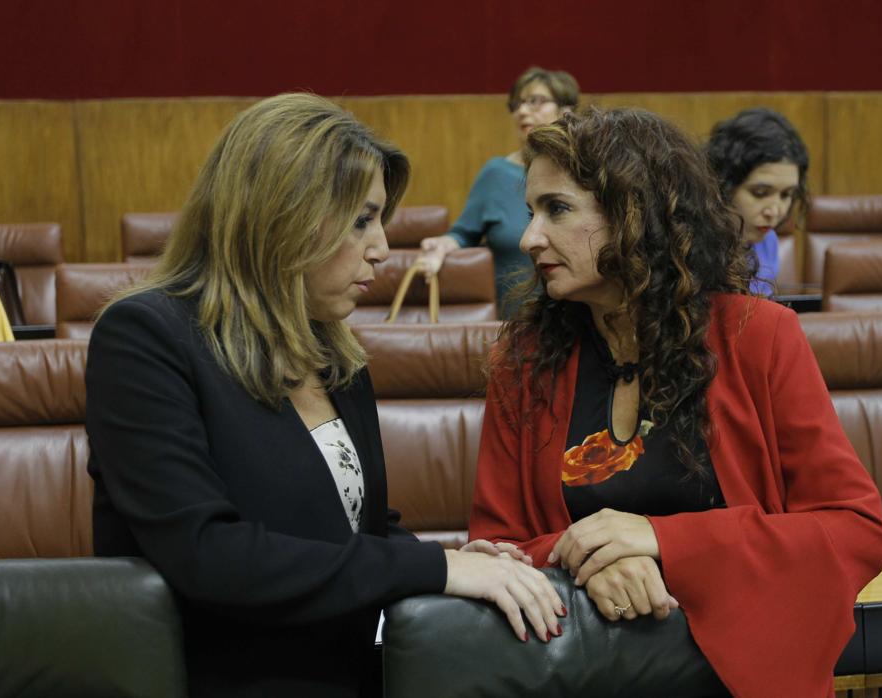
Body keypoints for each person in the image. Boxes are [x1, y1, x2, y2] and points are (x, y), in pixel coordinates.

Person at [85, 93, 563, 698]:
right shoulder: (145, 338)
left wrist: (471, 562)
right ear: (282, 214)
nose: (383, 248)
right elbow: (207, 555)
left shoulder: (333, 352)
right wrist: (437, 568)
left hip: (356, 670)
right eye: (361, 219)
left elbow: (359, 533)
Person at [467, 107, 882, 697]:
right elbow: (496, 546)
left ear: (634, 214)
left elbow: (854, 530)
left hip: (735, 674)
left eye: (557, 209)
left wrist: (664, 542)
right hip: (580, 671)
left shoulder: (758, 337)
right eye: (531, 211)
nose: (530, 237)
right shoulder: (523, 358)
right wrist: (596, 563)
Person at [417, 66, 579, 317]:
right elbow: (463, 234)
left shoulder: (585, 174)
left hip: (581, 321)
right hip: (517, 327)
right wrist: (441, 246)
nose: (523, 111)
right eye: (517, 104)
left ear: (566, 110)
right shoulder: (496, 174)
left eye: (536, 102)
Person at [705, 107, 810, 294]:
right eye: (760, 193)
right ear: (722, 184)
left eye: (786, 195)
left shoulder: (767, 241)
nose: (775, 212)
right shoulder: (689, 246)